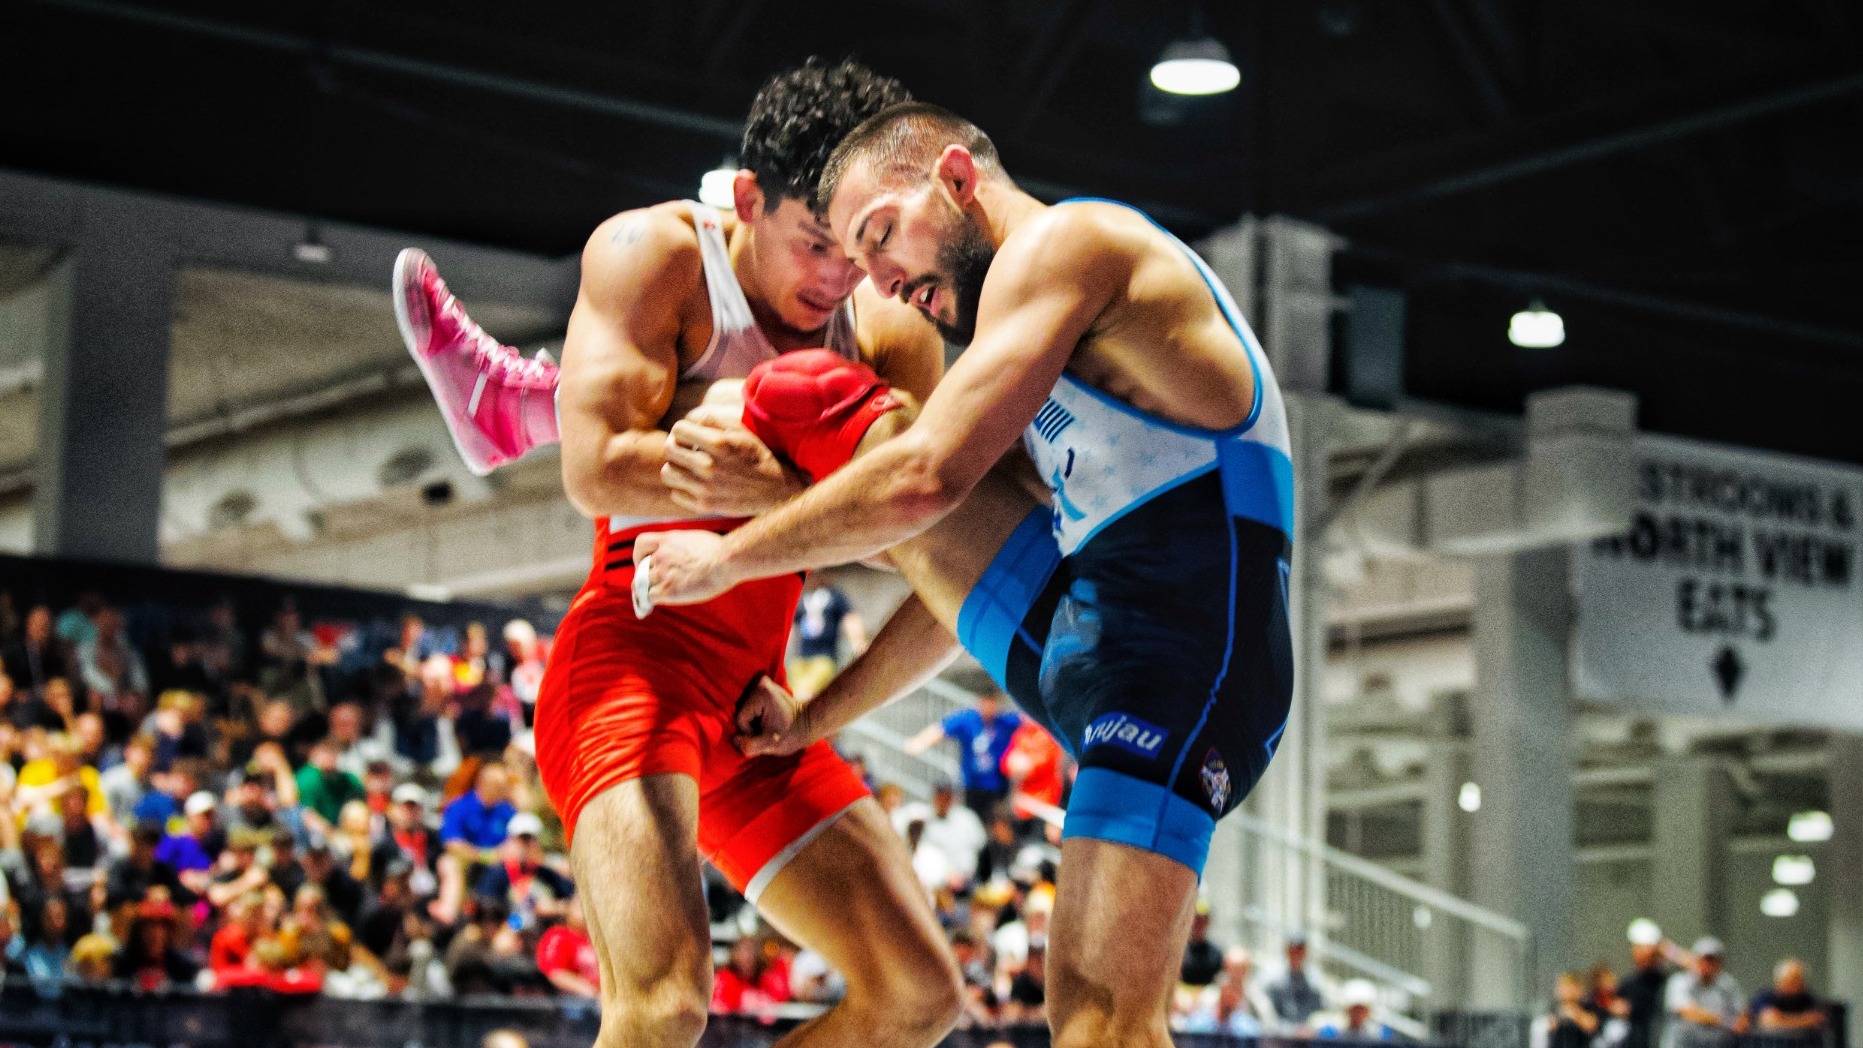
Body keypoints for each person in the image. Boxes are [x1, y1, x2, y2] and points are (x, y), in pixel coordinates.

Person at [636, 101, 1294, 1048]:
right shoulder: (1028, 345)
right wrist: (815, 717)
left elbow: (922, 483)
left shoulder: (1070, 244)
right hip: (1088, 628)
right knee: (837, 407)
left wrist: (727, 555)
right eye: (862, 267)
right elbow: (935, 550)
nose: (884, 286)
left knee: (1099, 1020)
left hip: (1185, 658)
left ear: (955, 179)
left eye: (880, 239)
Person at [394, 60, 960, 1048]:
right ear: (746, 200)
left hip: (754, 706)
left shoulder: (885, 321)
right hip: (630, 669)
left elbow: (917, 532)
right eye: (814, 243)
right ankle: (520, 401)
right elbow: (598, 471)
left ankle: (517, 401)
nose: (837, 277)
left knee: (918, 995)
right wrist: (823, 493)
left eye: (856, 249)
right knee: (663, 1005)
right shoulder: (655, 252)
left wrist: (767, 487)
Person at [904, 692, 1021, 818]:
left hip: (998, 784)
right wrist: (920, 742)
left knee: (996, 818)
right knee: (972, 817)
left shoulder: (1004, 721)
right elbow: (942, 728)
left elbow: (1027, 723)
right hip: (973, 783)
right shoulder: (969, 719)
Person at [1664, 938, 1747, 1048]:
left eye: (1712, 961)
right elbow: (1688, 1012)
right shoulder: (1679, 981)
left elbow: (1742, 1014)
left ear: (1720, 963)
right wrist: (1726, 1021)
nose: (1707, 965)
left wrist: (1740, 1022)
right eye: (1704, 960)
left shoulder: (1727, 984)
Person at [1749, 959, 1825, 1035]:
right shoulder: (1765, 997)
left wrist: (1783, 1019)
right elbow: (1770, 1022)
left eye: (1798, 981)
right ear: (1779, 982)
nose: (1794, 986)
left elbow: (1817, 1020)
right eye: (1791, 981)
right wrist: (1803, 1021)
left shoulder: (1809, 999)